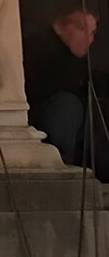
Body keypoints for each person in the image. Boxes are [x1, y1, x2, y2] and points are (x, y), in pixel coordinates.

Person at [26, 10, 108, 180]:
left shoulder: (74, 58)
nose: (91, 39)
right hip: (49, 122)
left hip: (79, 126)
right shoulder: (40, 48)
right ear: (70, 28)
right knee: (67, 105)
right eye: (88, 32)